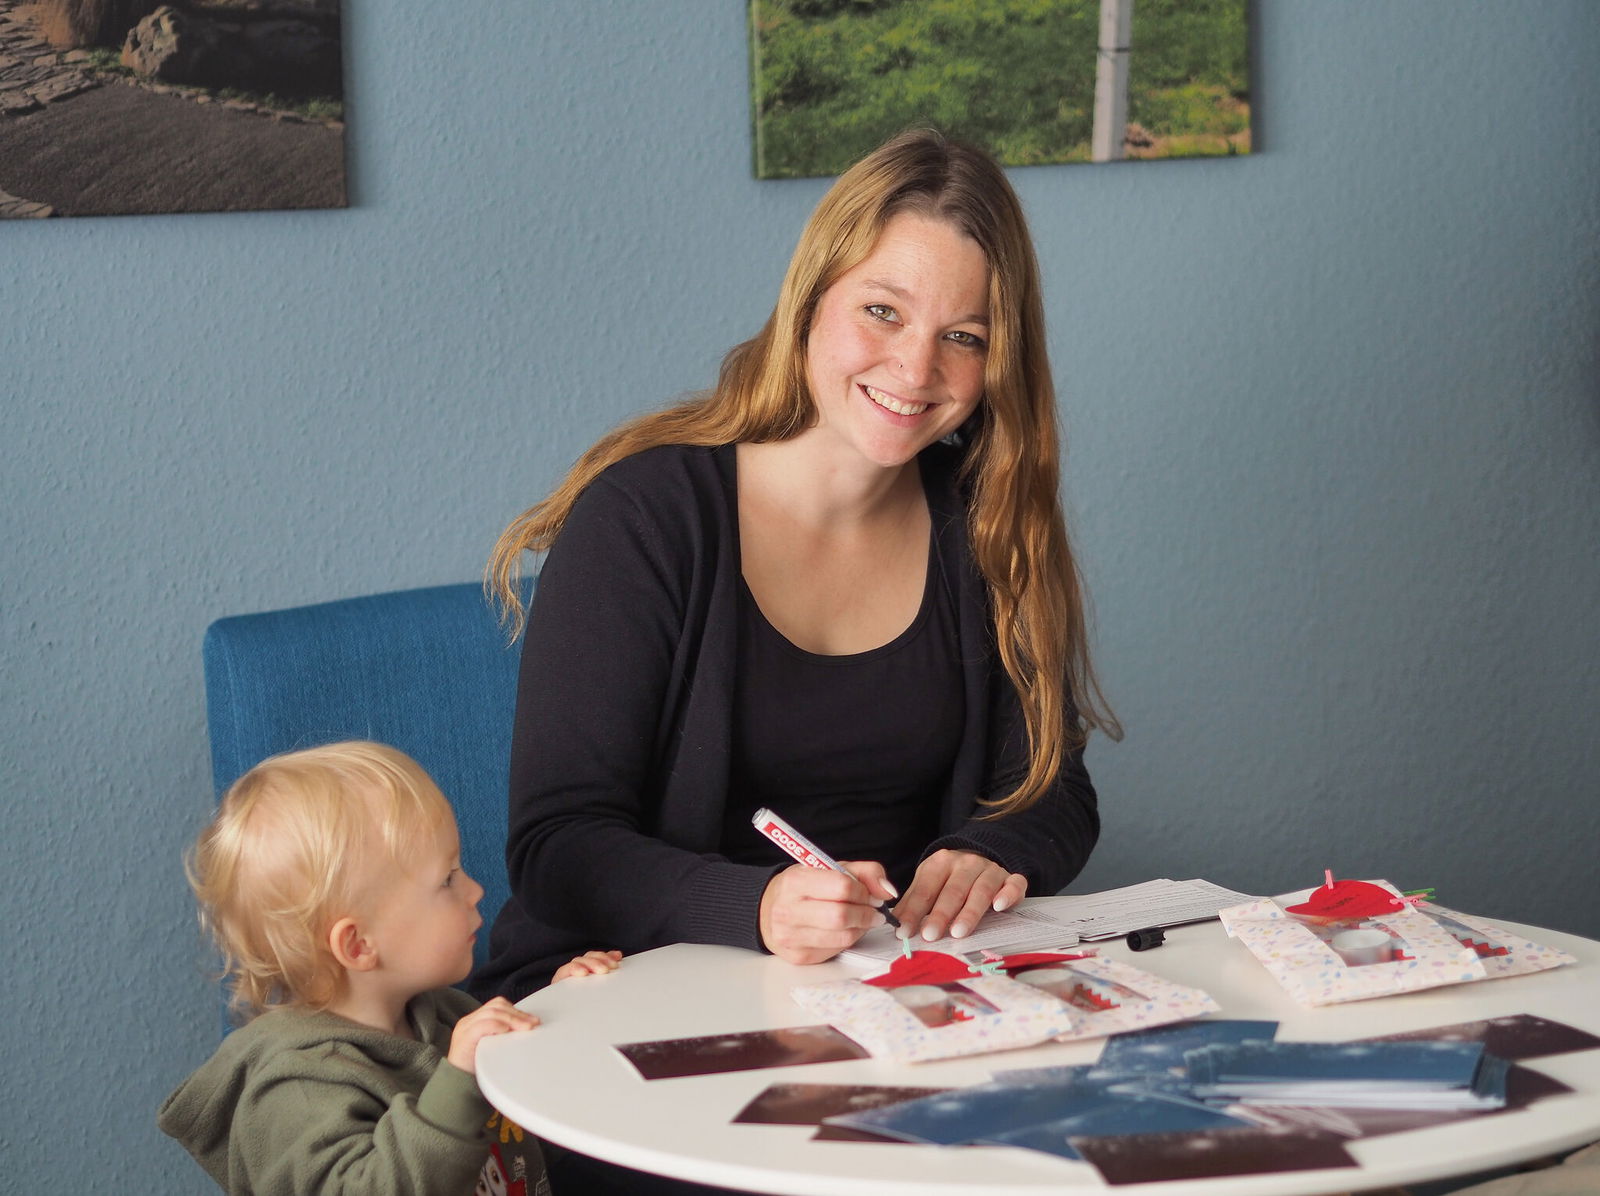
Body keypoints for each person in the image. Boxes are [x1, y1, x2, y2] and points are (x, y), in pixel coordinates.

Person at [472, 126, 1120, 1005]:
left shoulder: (985, 521)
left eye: (964, 336)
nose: (916, 367)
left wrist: (992, 851)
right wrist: (757, 907)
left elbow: (1052, 791)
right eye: (882, 311)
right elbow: (559, 845)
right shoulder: (644, 518)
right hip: (617, 988)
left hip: (883, 992)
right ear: (810, 301)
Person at [158, 740, 622, 1196]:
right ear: (358, 945)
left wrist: (558, 1020)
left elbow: (529, 1140)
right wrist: (459, 1085)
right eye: (448, 879)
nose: (476, 890)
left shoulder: (446, 1016)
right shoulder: (296, 1088)